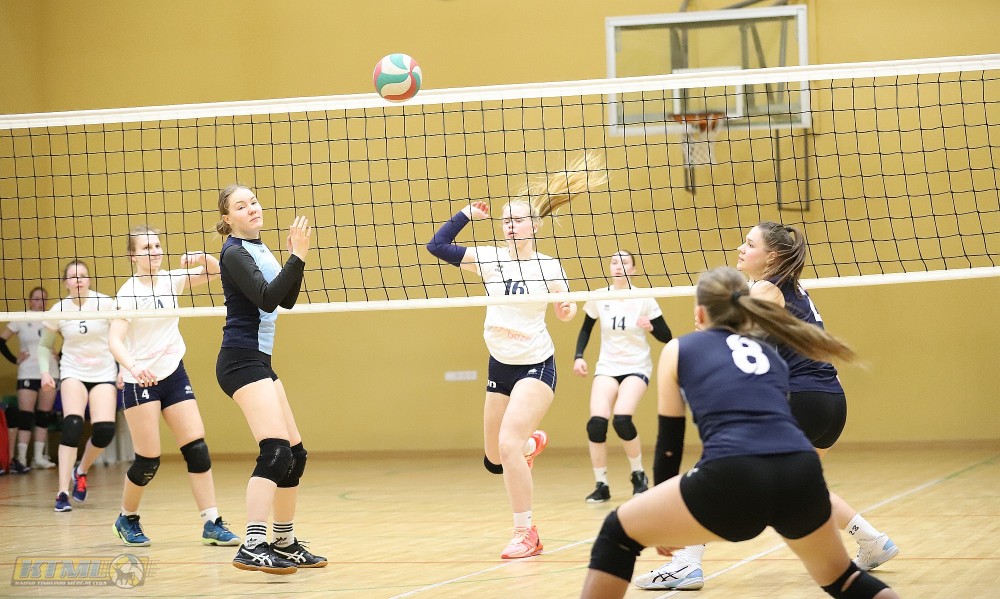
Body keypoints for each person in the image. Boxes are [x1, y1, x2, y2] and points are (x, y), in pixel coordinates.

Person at [582, 266, 899, 599]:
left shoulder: (680, 349)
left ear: (699, 313)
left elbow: (669, 444)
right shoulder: (770, 354)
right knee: (844, 580)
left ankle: (687, 562)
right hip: (800, 470)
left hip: (733, 474)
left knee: (616, 532)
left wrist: (661, 516)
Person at [426, 152, 606, 559]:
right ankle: (530, 444)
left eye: (518, 219)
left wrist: (566, 309)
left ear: (534, 226)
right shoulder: (488, 259)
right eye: (506, 220)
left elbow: (565, 308)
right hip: (499, 365)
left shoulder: (548, 267)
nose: (510, 225)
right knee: (495, 458)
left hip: (536, 365)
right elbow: (437, 245)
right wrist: (466, 214)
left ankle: (526, 532)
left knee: (507, 444)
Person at [214, 184, 326, 574]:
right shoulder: (234, 252)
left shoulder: (260, 249)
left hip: (259, 360)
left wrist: (296, 258)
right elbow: (265, 297)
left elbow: (285, 299)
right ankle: (252, 544)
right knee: (276, 452)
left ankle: (284, 541)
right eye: (240, 206)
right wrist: (297, 256)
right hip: (239, 360)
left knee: (295, 455)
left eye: (254, 202)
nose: (251, 209)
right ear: (228, 219)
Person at [107, 225, 240, 548]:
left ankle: (211, 522)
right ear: (132, 256)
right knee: (148, 460)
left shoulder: (171, 279)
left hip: (173, 374)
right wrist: (133, 367)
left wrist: (202, 257)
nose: (154, 252)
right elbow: (114, 340)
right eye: (146, 248)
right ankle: (127, 517)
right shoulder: (128, 294)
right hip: (142, 381)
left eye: (157, 245)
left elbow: (215, 271)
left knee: (197, 449)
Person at [573, 251, 672, 503]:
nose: (618, 266)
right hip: (607, 367)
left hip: (636, 366)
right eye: (614, 262)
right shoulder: (599, 296)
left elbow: (667, 336)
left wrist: (651, 326)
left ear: (633, 269)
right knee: (596, 424)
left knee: (622, 419)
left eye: (624, 262)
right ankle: (601, 484)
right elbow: (585, 329)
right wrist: (578, 356)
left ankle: (638, 475)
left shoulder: (643, 298)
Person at [38, 261, 119, 512]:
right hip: (73, 371)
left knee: (105, 431)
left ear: (89, 280)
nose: (79, 280)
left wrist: (124, 370)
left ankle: (81, 470)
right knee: (72, 426)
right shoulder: (58, 310)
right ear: (66, 283)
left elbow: (121, 338)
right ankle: (62, 492)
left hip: (104, 371)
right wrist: (45, 372)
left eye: (83, 275)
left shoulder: (106, 304)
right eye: (73, 277)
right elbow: (44, 345)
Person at [0, 287, 60, 472]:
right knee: (26, 416)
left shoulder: (53, 318)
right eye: (36, 299)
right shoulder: (21, 318)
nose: (40, 302)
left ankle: (38, 458)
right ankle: (21, 458)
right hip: (27, 372)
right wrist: (14, 360)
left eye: (44, 299)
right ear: (30, 301)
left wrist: (60, 355)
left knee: (44, 416)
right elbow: (1, 340)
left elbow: (71, 338)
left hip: (50, 372)